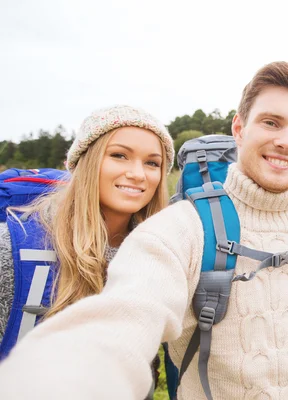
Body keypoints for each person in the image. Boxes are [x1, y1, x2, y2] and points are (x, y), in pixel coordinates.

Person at [0, 62, 288, 400]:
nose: (286, 141)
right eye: (271, 122)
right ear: (239, 128)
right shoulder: (181, 226)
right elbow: (128, 316)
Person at [0, 104, 174, 396]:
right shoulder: (13, 248)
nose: (137, 174)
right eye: (119, 155)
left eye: (152, 163)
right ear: (87, 161)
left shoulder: (158, 258)